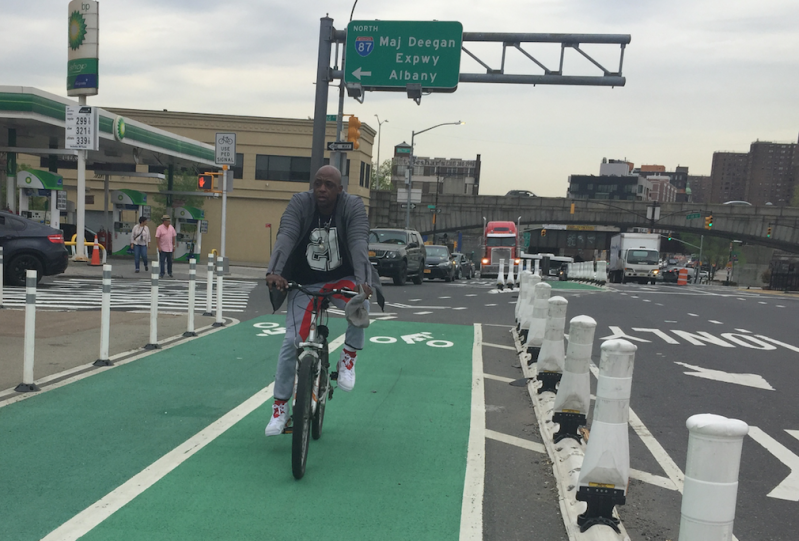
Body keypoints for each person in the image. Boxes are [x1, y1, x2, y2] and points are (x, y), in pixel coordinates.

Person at [264, 165, 380, 436]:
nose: (322, 189)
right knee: (291, 342)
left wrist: (363, 280)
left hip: (341, 279)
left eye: (329, 185)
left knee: (360, 303)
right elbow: (286, 235)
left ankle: (348, 357)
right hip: (304, 282)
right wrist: (275, 271)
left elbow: (358, 243)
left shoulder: (352, 206)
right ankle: (280, 408)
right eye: (317, 183)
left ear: (340, 189)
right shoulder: (300, 203)